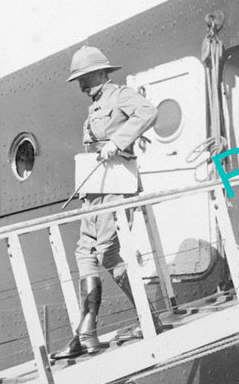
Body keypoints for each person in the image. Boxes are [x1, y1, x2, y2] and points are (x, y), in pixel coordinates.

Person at [56, 46, 163, 360]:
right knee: (84, 251)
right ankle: (86, 332)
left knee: (107, 252)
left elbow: (149, 112)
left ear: (99, 73)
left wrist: (118, 142)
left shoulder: (120, 96)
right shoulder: (95, 107)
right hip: (94, 188)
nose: (80, 85)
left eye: (83, 77)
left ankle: (149, 318)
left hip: (117, 186)